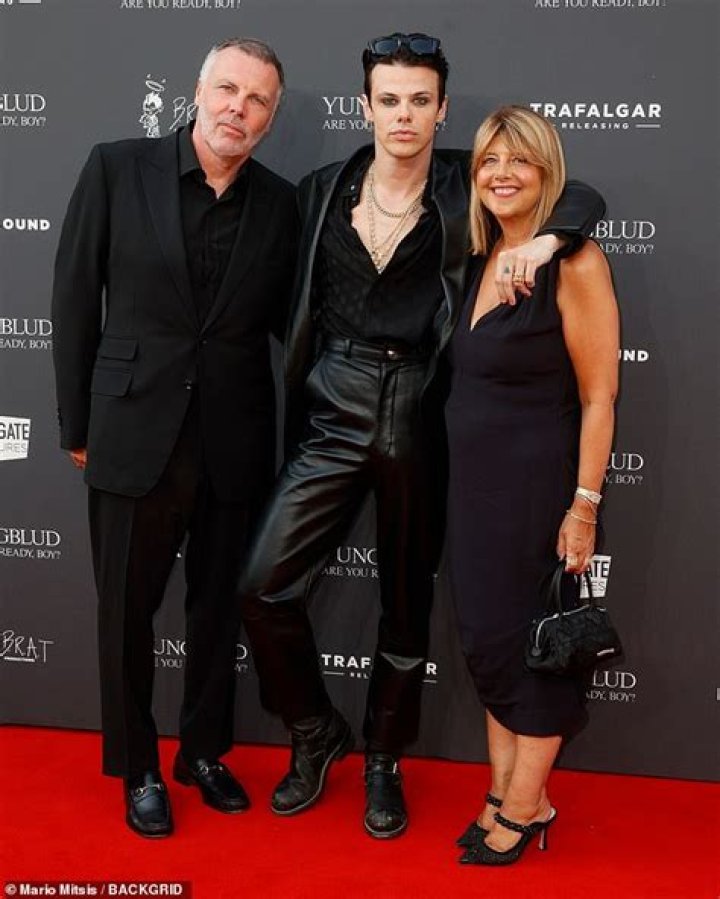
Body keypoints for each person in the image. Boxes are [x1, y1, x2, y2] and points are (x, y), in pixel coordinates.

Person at [240, 34, 605, 840]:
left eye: (419, 101)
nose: (403, 115)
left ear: (440, 112)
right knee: (261, 585)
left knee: (406, 604)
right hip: (333, 403)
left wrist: (549, 238)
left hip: (423, 409)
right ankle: (314, 729)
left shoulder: (466, 184)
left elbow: (576, 193)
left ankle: (383, 758)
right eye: (389, 100)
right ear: (365, 107)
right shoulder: (319, 190)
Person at [51, 38, 298, 838]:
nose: (238, 108)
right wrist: (78, 424)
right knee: (126, 612)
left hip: (234, 440)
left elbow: (289, 326)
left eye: (257, 100)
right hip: (131, 431)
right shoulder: (117, 168)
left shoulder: (281, 203)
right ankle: (138, 767)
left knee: (219, 611)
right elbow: (74, 298)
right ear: (199, 90)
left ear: (271, 118)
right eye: (227, 89)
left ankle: (202, 750)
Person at [447, 105, 619, 865]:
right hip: (472, 495)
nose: (502, 174)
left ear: (548, 173)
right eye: (489, 161)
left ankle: (526, 806)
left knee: (537, 649)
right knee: (491, 645)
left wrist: (584, 505)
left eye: (520, 160)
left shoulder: (574, 263)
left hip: (537, 494)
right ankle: (502, 791)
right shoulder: (481, 257)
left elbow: (600, 396)